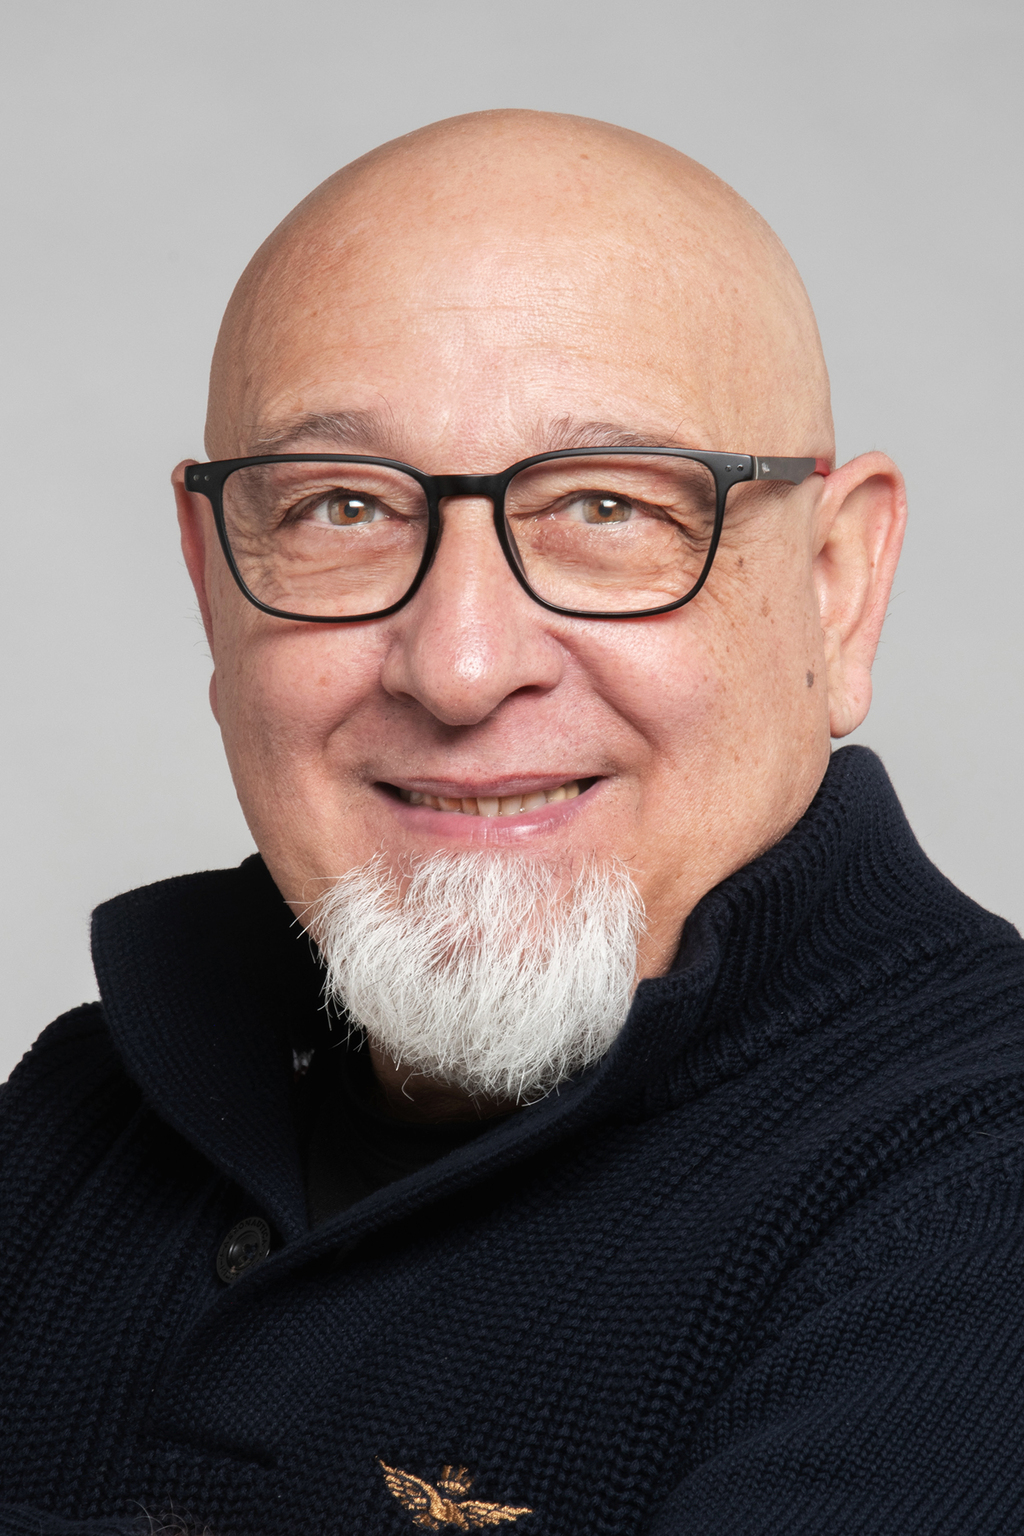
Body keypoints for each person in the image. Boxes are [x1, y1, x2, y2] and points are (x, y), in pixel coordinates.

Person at [1, 109, 1022, 1536]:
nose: (463, 665)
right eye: (342, 507)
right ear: (211, 583)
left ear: (837, 588)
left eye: (606, 505)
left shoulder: (978, 1191)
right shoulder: (75, 1115)